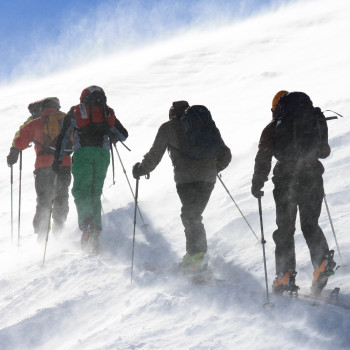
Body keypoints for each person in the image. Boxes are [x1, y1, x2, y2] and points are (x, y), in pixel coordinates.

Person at [251, 90, 336, 295]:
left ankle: (285, 276)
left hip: (286, 181)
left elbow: (264, 156)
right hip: (313, 177)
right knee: (310, 225)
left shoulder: (274, 127)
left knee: (285, 230)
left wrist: (257, 182)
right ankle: (322, 264)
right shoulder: (314, 120)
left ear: (277, 107)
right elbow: (324, 152)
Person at [132, 101, 232, 273]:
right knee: (192, 215)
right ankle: (193, 256)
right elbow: (226, 155)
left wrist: (141, 170)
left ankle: (197, 258)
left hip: (186, 180)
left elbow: (155, 154)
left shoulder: (168, 127)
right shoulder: (205, 125)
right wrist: (213, 169)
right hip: (208, 180)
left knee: (190, 216)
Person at [53, 85, 128, 254]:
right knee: (95, 192)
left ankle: (88, 227)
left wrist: (58, 160)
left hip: (83, 154)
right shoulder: (107, 112)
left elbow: (64, 136)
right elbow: (123, 134)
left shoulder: (75, 111)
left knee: (81, 191)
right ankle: (95, 232)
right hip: (103, 154)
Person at [7, 97, 72, 242]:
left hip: (43, 166)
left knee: (44, 199)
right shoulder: (66, 120)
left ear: (43, 109)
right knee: (61, 196)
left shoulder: (37, 122)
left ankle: (42, 236)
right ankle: (59, 228)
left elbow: (20, 139)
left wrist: (14, 152)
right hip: (64, 165)